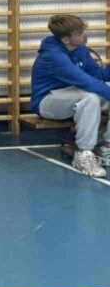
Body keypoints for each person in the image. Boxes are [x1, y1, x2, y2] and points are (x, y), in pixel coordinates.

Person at [31, 14, 110, 178]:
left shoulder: (80, 49)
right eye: (80, 34)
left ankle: (107, 149)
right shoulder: (53, 56)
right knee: (90, 97)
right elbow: (86, 82)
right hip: (47, 102)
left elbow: (98, 76)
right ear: (66, 40)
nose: (85, 36)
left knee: (92, 94)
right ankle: (83, 154)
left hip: (75, 94)